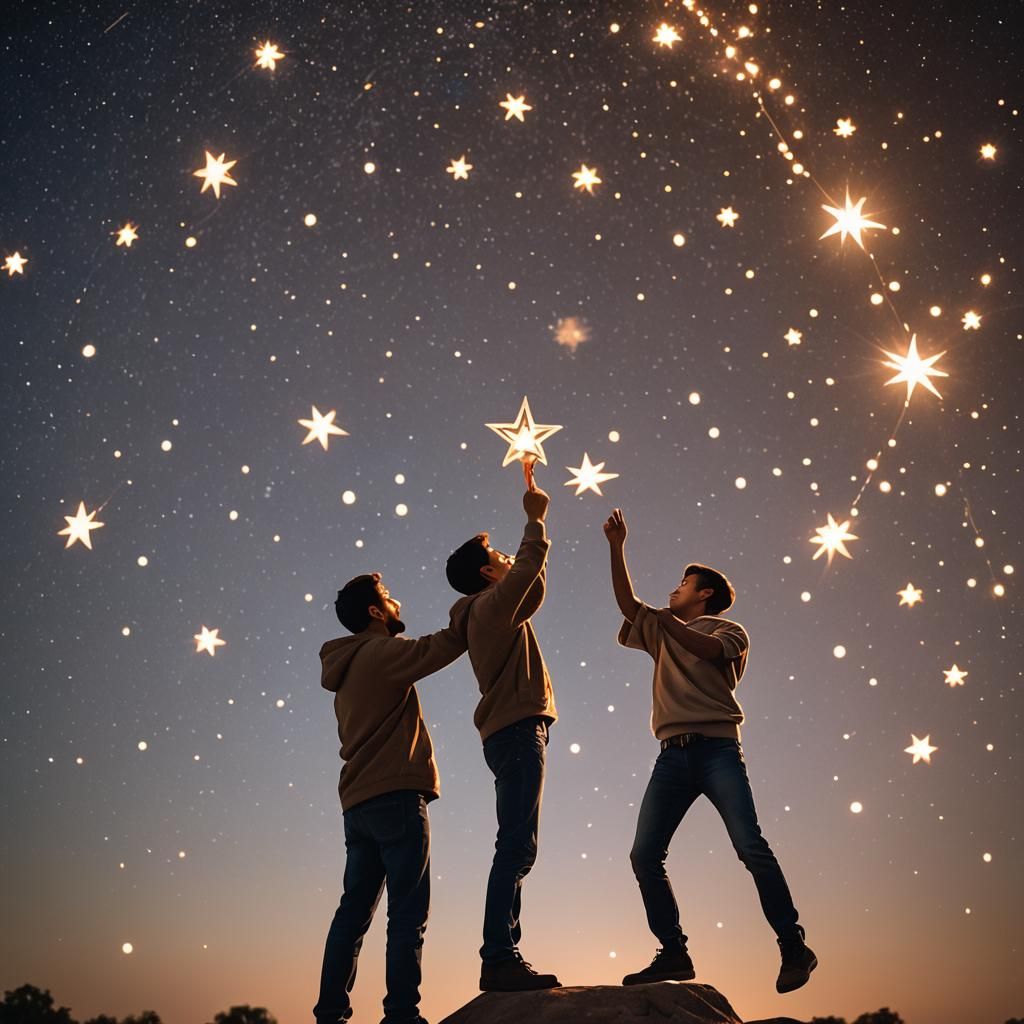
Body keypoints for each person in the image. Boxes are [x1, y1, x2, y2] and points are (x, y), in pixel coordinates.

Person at [602, 507, 817, 994]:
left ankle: (793, 945)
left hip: (718, 752)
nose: (673, 590)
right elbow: (626, 603)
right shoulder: (659, 629)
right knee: (644, 855)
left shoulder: (728, 630)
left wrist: (659, 621)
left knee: (750, 846)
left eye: (684, 584)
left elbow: (706, 652)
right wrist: (617, 548)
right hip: (671, 757)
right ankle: (674, 952)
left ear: (705, 595)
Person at [313, 572, 467, 1024]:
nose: (398, 601)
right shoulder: (380, 653)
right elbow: (441, 647)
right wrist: (476, 605)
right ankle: (401, 1014)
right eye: (388, 597)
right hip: (396, 797)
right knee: (407, 913)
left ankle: (330, 1013)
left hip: (357, 805)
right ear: (376, 613)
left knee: (353, 914)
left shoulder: (344, 668)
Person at [445, 486, 560, 992]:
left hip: (514, 732)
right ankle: (499, 957)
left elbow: (531, 585)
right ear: (490, 574)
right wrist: (535, 518)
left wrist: (530, 554)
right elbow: (528, 570)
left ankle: (503, 954)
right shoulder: (490, 607)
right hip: (516, 733)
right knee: (515, 845)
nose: (507, 556)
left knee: (517, 844)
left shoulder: (497, 607)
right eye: (498, 555)